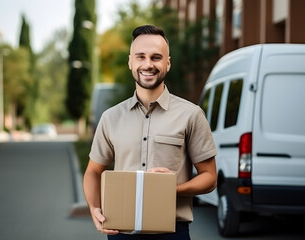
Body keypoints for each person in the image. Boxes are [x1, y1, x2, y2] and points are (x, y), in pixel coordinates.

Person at [83, 25, 217, 240]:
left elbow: (210, 177)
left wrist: (174, 188)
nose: (148, 64)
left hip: (172, 232)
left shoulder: (191, 115)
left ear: (168, 63)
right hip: (121, 231)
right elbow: (92, 171)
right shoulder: (111, 117)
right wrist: (94, 208)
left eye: (156, 57)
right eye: (141, 57)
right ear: (130, 62)